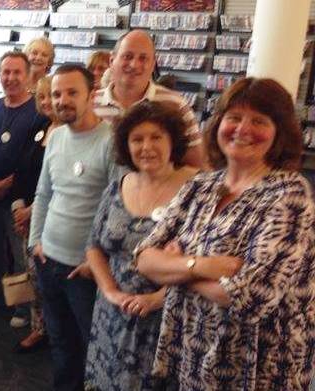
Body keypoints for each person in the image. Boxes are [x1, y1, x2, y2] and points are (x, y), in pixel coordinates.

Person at [134, 78, 315, 390]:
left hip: (257, 367)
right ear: (218, 123)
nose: (243, 129)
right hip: (191, 353)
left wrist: (175, 267)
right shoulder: (200, 186)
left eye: (259, 121)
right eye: (234, 117)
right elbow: (144, 259)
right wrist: (204, 266)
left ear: (280, 133)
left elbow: (249, 297)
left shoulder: (290, 194)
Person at [70, 101, 196, 390]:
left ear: (173, 141)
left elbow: (202, 260)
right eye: (137, 139)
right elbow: (94, 246)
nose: (146, 146)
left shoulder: (196, 190)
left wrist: (157, 299)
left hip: (165, 321)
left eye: (156, 137)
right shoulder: (120, 184)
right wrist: (112, 292)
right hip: (111, 314)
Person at [28, 64, 119, 391]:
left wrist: (96, 261)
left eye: (71, 92)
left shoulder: (110, 142)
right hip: (47, 259)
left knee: (89, 346)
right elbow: (43, 193)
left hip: (83, 270)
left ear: (91, 95)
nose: (62, 100)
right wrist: (35, 241)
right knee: (60, 343)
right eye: (56, 94)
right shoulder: (55, 137)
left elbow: (117, 210)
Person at [0, 52, 49, 331]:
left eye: (17, 72)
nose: (10, 78)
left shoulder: (38, 112)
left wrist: (4, 184)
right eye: (5, 72)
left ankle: (20, 307)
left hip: (17, 200)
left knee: (19, 255)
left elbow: (33, 162)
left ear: (28, 75)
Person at [93, 30, 203, 167]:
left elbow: (196, 165)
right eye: (127, 56)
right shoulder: (91, 104)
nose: (134, 65)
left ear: (152, 64)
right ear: (112, 61)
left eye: (143, 58)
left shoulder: (175, 105)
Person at [12, 74, 61, 354]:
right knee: (35, 279)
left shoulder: (70, 134)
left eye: (51, 96)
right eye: (41, 97)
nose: (47, 102)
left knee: (54, 282)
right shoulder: (39, 128)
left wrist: (32, 211)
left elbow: (60, 185)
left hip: (53, 220)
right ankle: (38, 328)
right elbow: (21, 172)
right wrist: (19, 207)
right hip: (28, 219)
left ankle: (57, 332)